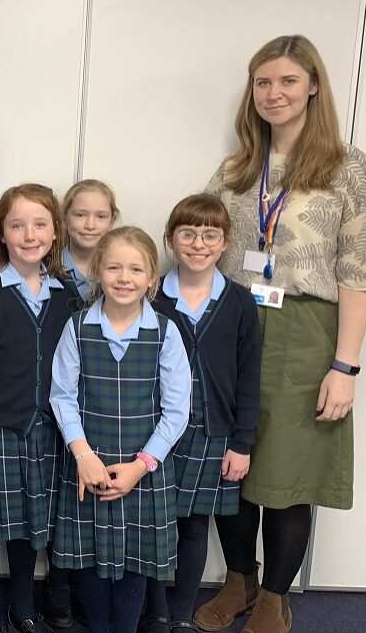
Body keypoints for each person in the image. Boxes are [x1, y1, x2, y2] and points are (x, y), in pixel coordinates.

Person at [196, 35, 366, 632]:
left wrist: (346, 366)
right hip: (231, 323)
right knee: (228, 465)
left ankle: (275, 599)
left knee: (284, 473)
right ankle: (239, 581)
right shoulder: (235, 169)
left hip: (305, 331)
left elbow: (361, 270)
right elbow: (202, 242)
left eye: (286, 81)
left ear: (312, 87)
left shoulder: (346, 167)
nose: (273, 93)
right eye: (263, 83)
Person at [49, 226, 191, 633]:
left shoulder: (166, 333)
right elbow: (62, 397)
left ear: (152, 279)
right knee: (91, 559)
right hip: (87, 462)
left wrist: (140, 466)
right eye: (113, 267)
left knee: (135, 560)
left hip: (142, 469)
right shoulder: (77, 328)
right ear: (97, 271)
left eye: (135, 269)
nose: (124, 278)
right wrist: (83, 455)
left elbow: (177, 411)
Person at [0, 184, 78, 633]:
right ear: (1, 235)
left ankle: (22, 605)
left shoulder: (67, 297)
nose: (30, 234)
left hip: (47, 435)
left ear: (54, 231)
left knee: (32, 528)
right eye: (18, 224)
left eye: (40, 223)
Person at [142, 195, 262, 633]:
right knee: (155, 523)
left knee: (193, 527)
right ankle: (154, 610)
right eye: (188, 233)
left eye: (210, 234)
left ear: (225, 241)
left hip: (213, 435)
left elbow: (249, 377)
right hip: (156, 432)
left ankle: (180, 616)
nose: (198, 243)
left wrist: (241, 442)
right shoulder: (150, 296)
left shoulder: (239, 303)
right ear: (171, 240)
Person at [61, 179, 120, 300]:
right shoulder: (46, 270)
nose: (90, 225)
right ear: (64, 218)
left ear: (112, 220)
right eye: (80, 215)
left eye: (101, 216)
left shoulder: (122, 272)